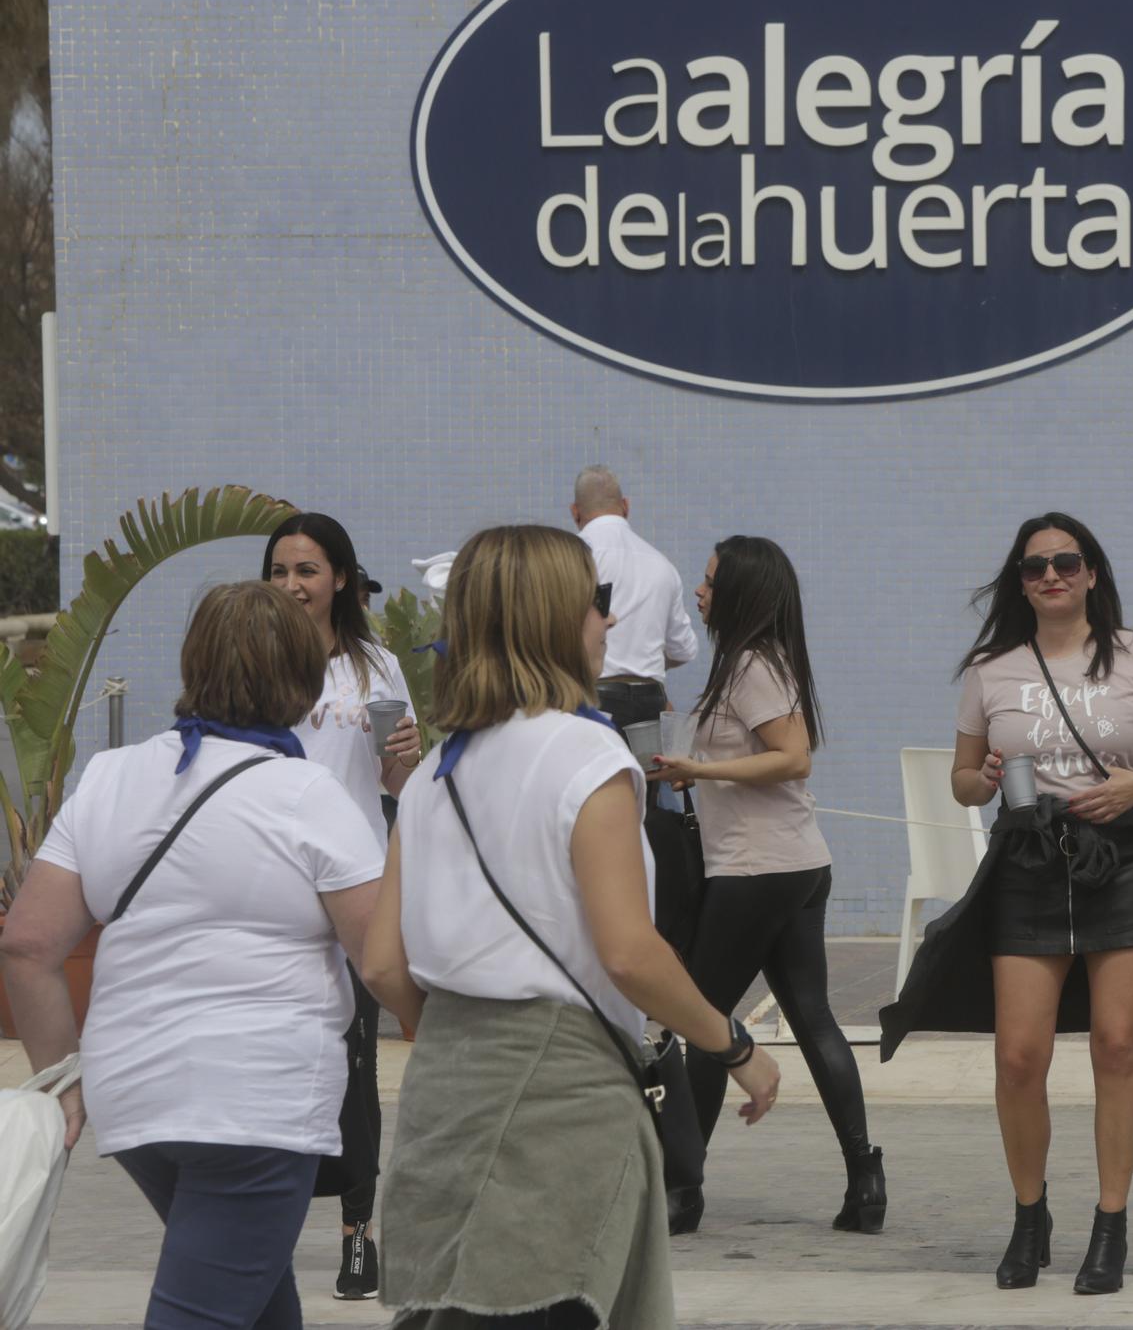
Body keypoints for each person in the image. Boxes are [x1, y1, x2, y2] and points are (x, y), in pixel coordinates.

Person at [361, 523, 780, 1328]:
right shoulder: (588, 758)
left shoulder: (436, 774)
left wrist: (458, 1039)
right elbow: (628, 951)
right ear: (553, 617)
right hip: (561, 1097)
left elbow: (383, 963)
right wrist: (736, 1046)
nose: (609, 622)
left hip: (442, 1092)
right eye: (598, 602)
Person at [0, 581, 383, 1329]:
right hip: (256, 1105)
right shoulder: (308, 792)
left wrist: (63, 1083)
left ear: (192, 663)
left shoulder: (111, 777)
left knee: (258, 1300)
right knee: (206, 1307)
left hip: (135, 1096)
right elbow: (382, 958)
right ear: (304, 677)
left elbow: (27, 943)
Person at [880, 512, 1133, 1296]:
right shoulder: (992, 668)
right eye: (1034, 567)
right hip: (1028, 858)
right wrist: (985, 779)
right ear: (1019, 581)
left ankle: (1111, 1221)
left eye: (1066, 562)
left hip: (1121, 859)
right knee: (1018, 1054)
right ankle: (1031, 1215)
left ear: (1092, 572)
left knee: (1116, 1043)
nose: (1051, 576)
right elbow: (962, 781)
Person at [649, 536, 882, 1236]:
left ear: (742, 592)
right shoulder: (757, 662)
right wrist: (700, 770)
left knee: (706, 1018)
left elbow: (793, 757)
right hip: (796, 863)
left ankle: (680, 1188)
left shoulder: (751, 666)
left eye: (711, 581)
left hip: (757, 868)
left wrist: (701, 768)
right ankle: (864, 1178)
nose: (698, 591)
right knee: (811, 1015)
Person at [264, 512, 421, 1299]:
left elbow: (398, 784)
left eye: (307, 570)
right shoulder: (252, 661)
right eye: (281, 570)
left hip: (356, 892)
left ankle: (359, 1231)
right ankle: (264, 1231)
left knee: (357, 1070)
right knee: (282, 1066)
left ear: (339, 580)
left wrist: (405, 759)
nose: (293, 585)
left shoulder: (377, 667)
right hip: (269, 892)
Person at [571, 464, 701, 732]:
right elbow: (684, 649)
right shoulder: (662, 564)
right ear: (626, 506)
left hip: (591, 696)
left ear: (575, 512)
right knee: (647, 773)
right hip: (650, 699)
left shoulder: (570, 558)